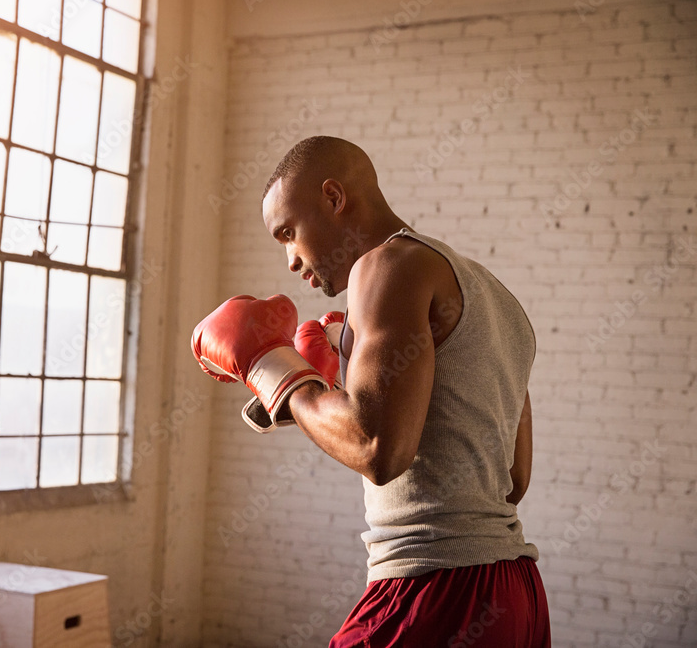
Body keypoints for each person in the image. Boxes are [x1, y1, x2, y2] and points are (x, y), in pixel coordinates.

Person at [191, 136, 551, 646]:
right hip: (516, 594)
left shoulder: (385, 266)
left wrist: (270, 367)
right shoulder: (495, 297)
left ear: (334, 198)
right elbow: (512, 481)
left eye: (288, 233)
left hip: (436, 587)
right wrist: (324, 384)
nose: (291, 260)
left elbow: (377, 448)